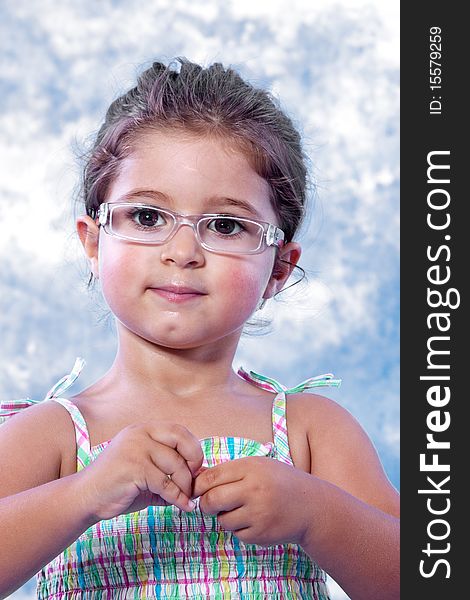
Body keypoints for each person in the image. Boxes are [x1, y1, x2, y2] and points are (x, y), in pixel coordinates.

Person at [0, 58, 399, 600]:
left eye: (227, 225)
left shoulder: (311, 432)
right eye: (147, 217)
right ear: (94, 242)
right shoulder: (52, 436)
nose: (182, 252)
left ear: (278, 268)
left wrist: (318, 514)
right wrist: (83, 495)